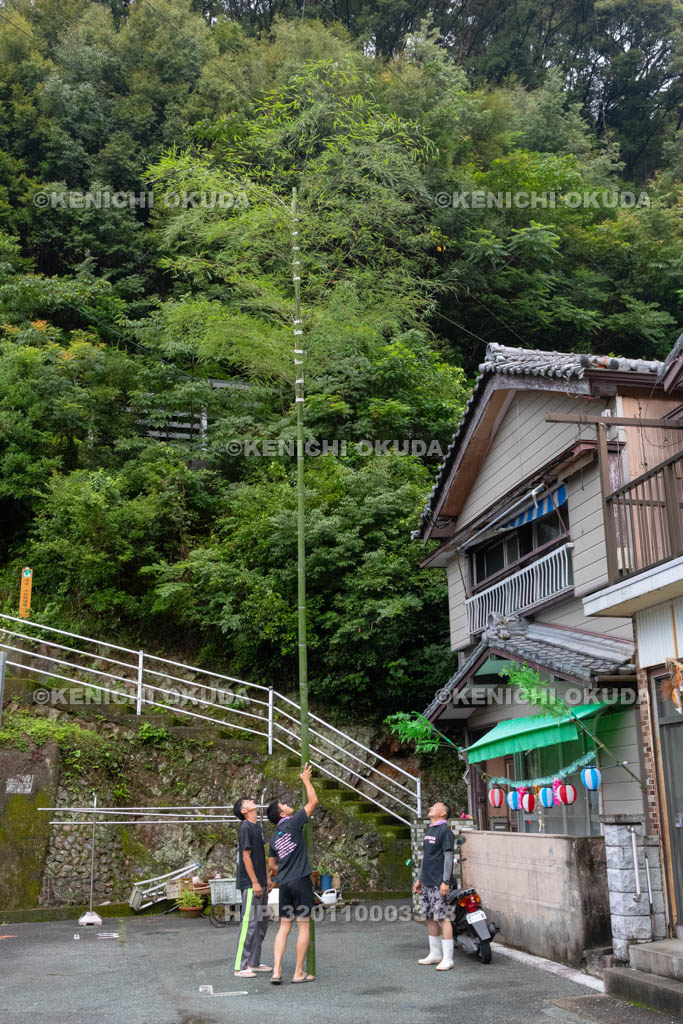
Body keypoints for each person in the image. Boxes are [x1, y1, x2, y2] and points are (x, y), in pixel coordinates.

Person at [266, 762, 318, 985]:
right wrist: (306, 780)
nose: (288, 805)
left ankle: (276, 971)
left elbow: (272, 865)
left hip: (284, 884)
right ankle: (298, 972)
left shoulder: (275, 836)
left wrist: (284, 868)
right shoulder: (293, 823)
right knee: (303, 925)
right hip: (300, 881)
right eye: (285, 805)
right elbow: (313, 802)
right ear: (282, 813)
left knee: (284, 926)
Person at [413, 800, 455, 971]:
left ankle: (448, 959)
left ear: (443, 813)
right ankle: (435, 954)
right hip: (428, 881)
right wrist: (420, 879)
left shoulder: (445, 831)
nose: (431, 807)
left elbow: (448, 857)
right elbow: (427, 858)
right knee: (430, 917)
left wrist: (445, 881)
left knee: (443, 917)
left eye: (435, 806)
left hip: (439, 882)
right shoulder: (431, 829)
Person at [233, 797, 272, 978]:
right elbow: (246, 857)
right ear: (244, 811)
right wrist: (255, 882)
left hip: (261, 882)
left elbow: (261, 856)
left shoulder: (257, 827)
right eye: (247, 801)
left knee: (261, 923)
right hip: (250, 884)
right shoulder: (246, 828)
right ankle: (240, 966)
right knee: (249, 923)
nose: (252, 800)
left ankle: (254, 962)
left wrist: (267, 878)